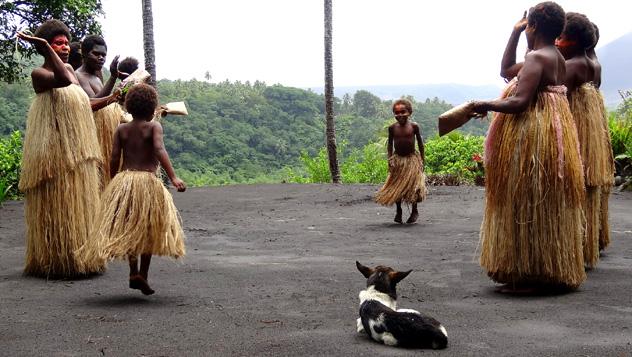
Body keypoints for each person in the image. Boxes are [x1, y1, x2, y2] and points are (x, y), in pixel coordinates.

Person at [471, 2, 586, 292]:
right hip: (554, 129)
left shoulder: (538, 58)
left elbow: (518, 101)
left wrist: (481, 104)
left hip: (535, 134)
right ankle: (540, 269)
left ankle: (533, 275)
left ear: (532, 26)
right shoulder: (555, 56)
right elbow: (507, 70)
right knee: (542, 199)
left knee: (528, 198)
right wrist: (518, 34)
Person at [78, 83, 186, 295]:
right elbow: (159, 149)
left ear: (128, 106)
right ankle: (143, 275)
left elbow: (114, 157)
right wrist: (173, 177)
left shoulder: (121, 128)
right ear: (152, 107)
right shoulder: (154, 127)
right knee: (146, 228)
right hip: (146, 183)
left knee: (130, 227)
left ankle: (132, 271)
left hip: (125, 182)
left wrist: (112, 181)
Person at [16, 20, 104, 278]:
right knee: (56, 202)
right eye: (58, 43)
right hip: (52, 150)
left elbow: (86, 103)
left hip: (76, 149)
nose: (65, 47)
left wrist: (113, 97)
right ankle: (54, 259)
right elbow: (65, 80)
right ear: (45, 48)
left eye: (66, 42)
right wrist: (45, 48)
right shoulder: (39, 74)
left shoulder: (67, 68)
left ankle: (82, 257)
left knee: (78, 201)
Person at [558, 14, 614, 266]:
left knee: (575, 186)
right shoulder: (594, 63)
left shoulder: (572, 67)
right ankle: (591, 240)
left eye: (561, 36)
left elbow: (556, 99)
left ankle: (575, 245)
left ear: (571, 40)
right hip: (593, 131)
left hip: (577, 131)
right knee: (591, 187)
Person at [76, 35, 124, 190]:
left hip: (106, 133)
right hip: (91, 135)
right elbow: (92, 103)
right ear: (84, 53)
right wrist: (114, 95)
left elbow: (105, 97)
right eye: (96, 54)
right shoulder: (78, 76)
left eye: (104, 55)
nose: (101, 57)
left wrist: (114, 78)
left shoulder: (97, 75)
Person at [375, 99, 427, 224]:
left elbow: (420, 143)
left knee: (414, 187)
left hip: (411, 161)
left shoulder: (414, 126)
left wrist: (422, 159)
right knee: (396, 187)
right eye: (396, 112)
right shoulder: (392, 128)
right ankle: (398, 211)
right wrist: (390, 159)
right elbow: (390, 144)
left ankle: (414, 211)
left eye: (403, 112)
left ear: (409, 112)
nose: (399, 115)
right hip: (398, 160)